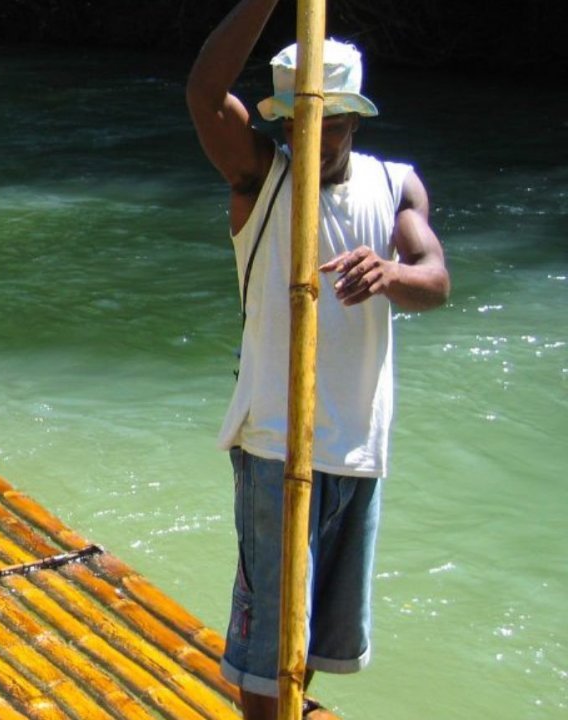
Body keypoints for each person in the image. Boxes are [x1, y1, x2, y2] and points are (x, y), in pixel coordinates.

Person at [185, 1, 450, 717]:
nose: (315, 136)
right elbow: (204, 95)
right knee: (268, 654)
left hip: (357, 447)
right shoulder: (260, 178)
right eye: (301, 120)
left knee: (314, 647)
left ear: (355, 119)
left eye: (329, 121)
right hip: (276, 442)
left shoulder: (396, 185)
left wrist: (391, 276)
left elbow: (436, 280)